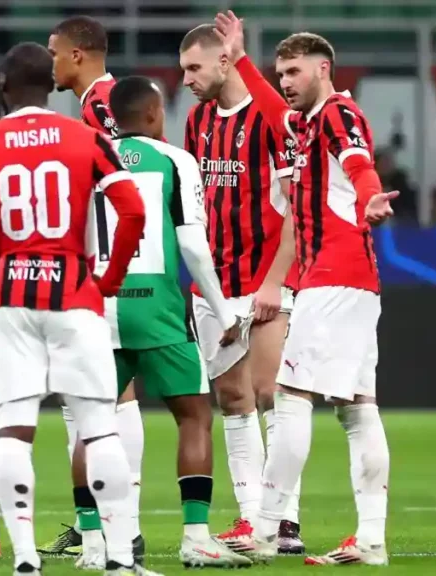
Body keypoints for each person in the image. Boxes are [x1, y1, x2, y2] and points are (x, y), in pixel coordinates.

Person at [0, 41, 157, 576]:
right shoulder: (87, 138)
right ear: (51, 86)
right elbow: (133, 209)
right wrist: (111, 276)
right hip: (75, 297)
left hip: (9, 301)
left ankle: (25, 557)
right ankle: (119, 558)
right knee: (99, 428)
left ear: (2, 89)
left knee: (14, 429)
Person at [215, 12, 394, 565]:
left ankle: (266, 530)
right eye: (281, 72)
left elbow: (359, 159)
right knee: (358, 407)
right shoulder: (306, 122)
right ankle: (371, 539)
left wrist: (370, 194)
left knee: (290, 399)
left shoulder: (338, 114)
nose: (286, 81)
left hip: (332, 278)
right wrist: (242, 57)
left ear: (323, 68)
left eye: (294, 71)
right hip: (353, 282)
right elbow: (271, 108)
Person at [93, 76, 252, 568]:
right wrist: (224, 310)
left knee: (93, 427)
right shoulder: (175, 160)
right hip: (158, 311)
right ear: (156, 113)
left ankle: (97, 543)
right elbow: (191, 244)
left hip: (98, 308)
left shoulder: (88, 156)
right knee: (195, 416)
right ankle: (197, 536)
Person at [178, 23, 305, 554]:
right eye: (184, 68)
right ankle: (252, 519)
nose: (186, 79)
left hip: (267, 280)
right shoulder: (196, 121)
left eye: (195, 68)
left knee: (272, 395)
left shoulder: (270, 118)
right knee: (233, 401)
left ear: (225, 62)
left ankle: (286, 521)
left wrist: (276, 280)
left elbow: (298, 206)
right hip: (215, 285)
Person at [43, 16, 146, 564]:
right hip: (116, 263)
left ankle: (113, 529)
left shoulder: (101, 103)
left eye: (55, 51)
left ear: (78, 55)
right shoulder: (102, 103)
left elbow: (127, 172)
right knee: (107, 393)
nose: (50, 61)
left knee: (98, 397)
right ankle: (110, 525)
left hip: (104, 266)